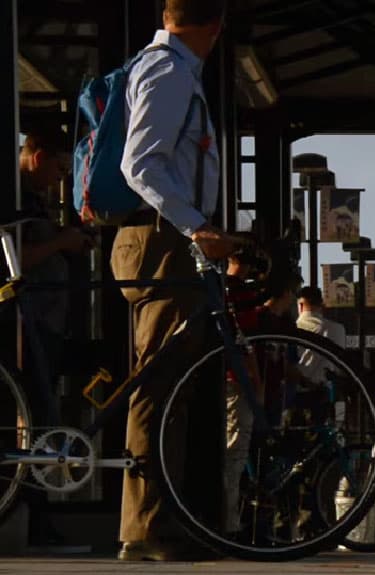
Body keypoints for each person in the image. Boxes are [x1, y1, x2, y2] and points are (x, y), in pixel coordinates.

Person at [112, 0, 236, 562]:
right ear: (217, 25)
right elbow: (139, 163)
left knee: (171, 385)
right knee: (158, 384)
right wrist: (196, 226)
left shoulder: (173, 66)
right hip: (161, 239)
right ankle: (143, 530)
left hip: (169, 238)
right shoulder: (167, 70)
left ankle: (162, 520)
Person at [16, 125, 93, 547]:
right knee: (38, 417)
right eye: (60, 169)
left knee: (42, 415)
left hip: (45, 323)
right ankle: (35, 520)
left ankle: (38, 518)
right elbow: (16, 260)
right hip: (28, 324)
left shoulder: (32, 201)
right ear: (38, 155)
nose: (61, 179)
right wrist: (62, 241)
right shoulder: (17, 201)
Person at [295, 285, 347, 382]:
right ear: (320, 304)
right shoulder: (338, 329)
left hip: (296, 388)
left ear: (301, 305)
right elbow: (339, 367)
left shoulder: (294, 328)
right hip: (326, 387)